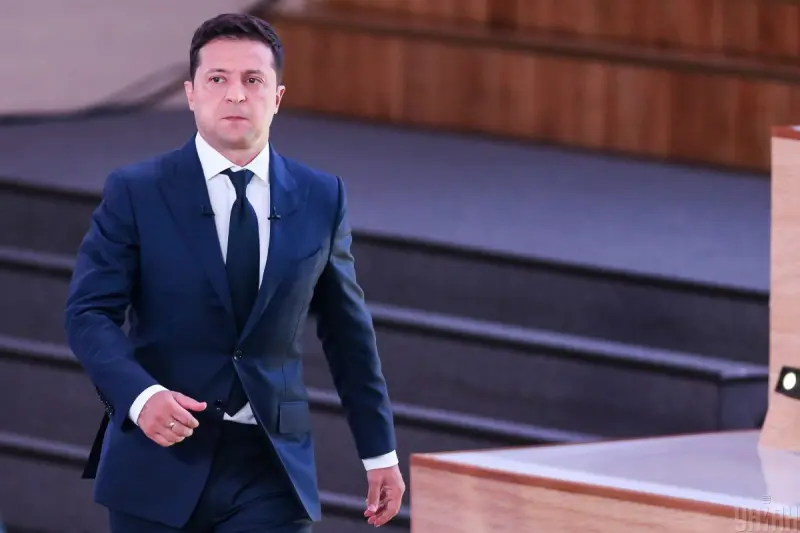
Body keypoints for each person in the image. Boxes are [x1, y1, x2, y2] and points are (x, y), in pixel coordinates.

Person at [64, 12, 404, 533]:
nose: (236, 94)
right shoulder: (137, 192)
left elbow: (348, 332)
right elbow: (88, 313)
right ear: (191, 93)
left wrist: (379, 452)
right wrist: (141, 396)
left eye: (253, 80)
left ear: (278, 96)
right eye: (218, 79)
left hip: (271, 466)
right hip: (158, 458)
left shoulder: (321, 197)